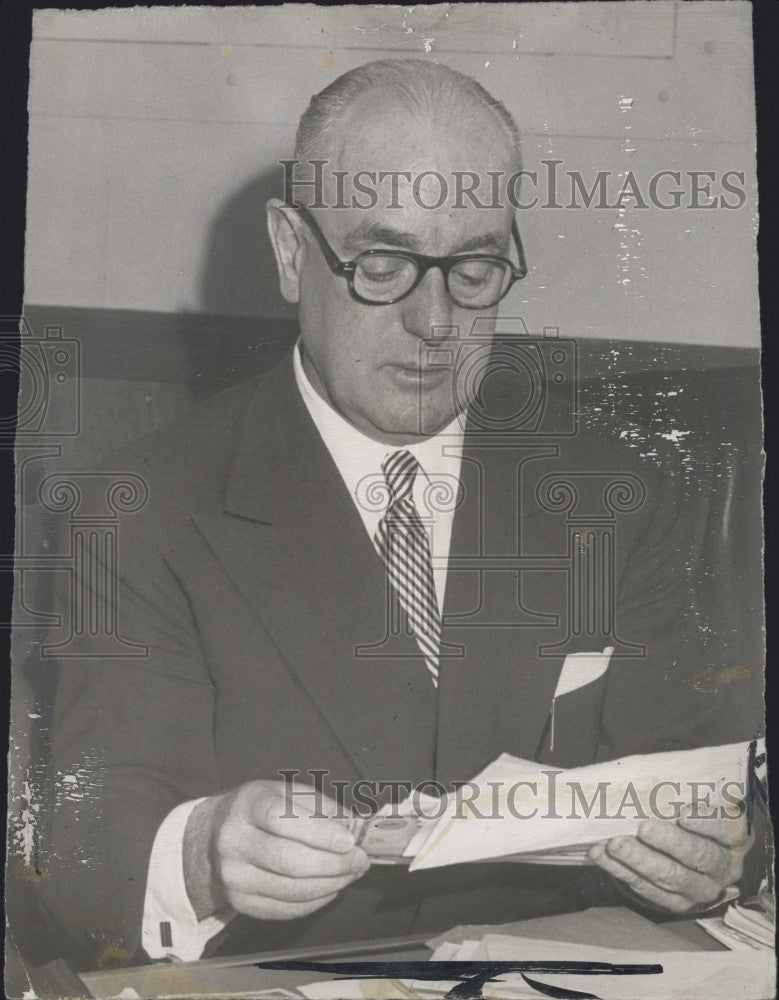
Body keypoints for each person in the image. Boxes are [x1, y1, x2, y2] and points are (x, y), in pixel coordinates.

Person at [35, 59, 758, 972]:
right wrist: (203, 848)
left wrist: (715, 854)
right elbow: (87, 842)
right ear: (293, 253)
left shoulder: (622, 492)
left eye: (475, 267)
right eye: (383, 264)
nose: (433, 321)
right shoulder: (139, 508)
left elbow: (715, 786)